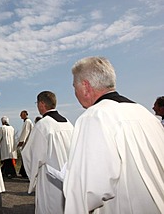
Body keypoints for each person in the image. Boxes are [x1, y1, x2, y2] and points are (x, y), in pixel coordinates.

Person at [64, 56, 164, 214]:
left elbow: (88, 189)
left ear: (85, 86)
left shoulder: (95, 116)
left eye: (74, 87)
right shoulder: (145, 114)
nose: (75, 93)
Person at [21, 91, 74, 214]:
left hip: (50, 178)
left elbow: (31, 155)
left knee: (49, 208)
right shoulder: (68, 123)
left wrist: (32, 176)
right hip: (68, 177)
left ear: (41, 104)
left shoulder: (43, 125)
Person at [17, 110, 34, 178]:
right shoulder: (27, 122)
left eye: (21, 114)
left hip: (27, 142)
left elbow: (25, 132)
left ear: (25, 114)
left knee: (26, 157)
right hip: (27, 142)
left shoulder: (27, 122)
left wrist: (21, 141)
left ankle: (26, 172)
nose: (20, 116)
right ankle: (23, 171)